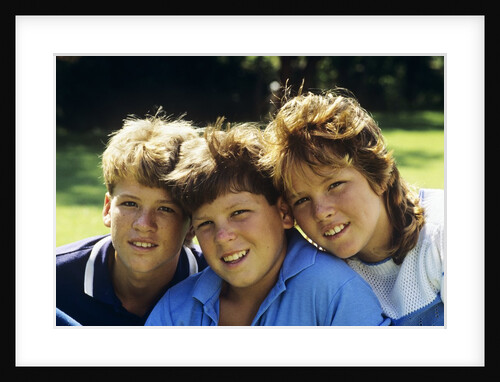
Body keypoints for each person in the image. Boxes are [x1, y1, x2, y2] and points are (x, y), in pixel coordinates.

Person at [145, 119, 390, 326]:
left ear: (284, 213)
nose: (223, 236)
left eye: (239, 213)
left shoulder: (334, 291)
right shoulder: (176, 309)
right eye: (206, 224)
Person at [262, 86, 444, 326]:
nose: (321, 211)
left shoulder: (443, 232)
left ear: (380, 177)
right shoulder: (326, 277)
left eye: (335, 185)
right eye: (302, 200)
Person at [56, 109, 208, 326]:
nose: (144, 224)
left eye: (165, 209)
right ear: (108, 209)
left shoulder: (222, 288)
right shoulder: (50, 281)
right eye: (130, 204)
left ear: (192, 223)